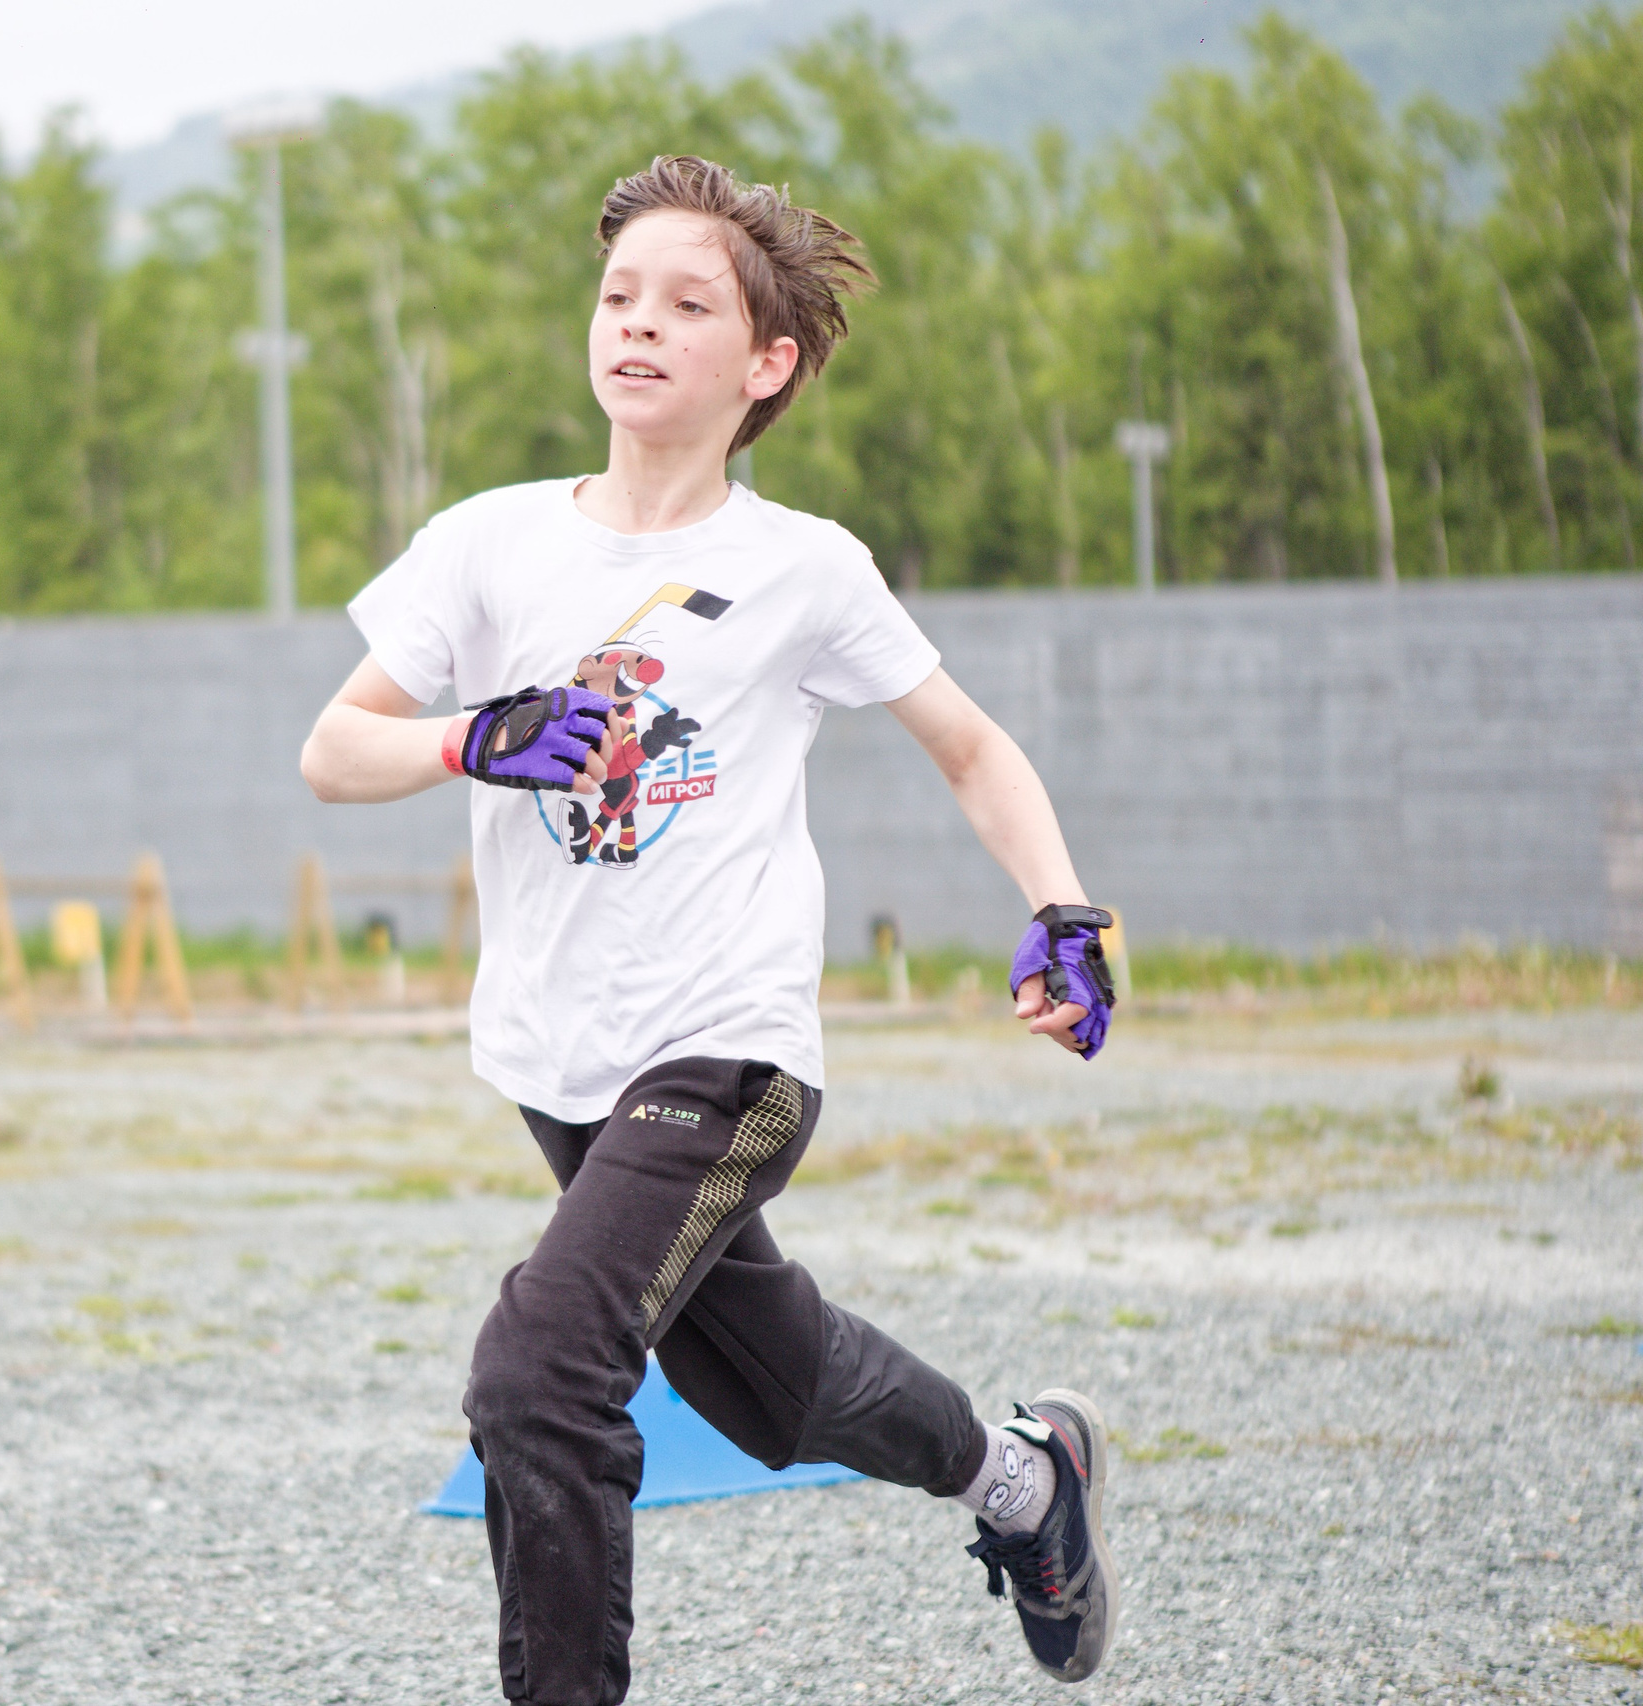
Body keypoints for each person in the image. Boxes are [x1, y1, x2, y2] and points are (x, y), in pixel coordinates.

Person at [298, 156, 1121, 1704]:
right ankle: (1025, 1484)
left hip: (728, 1050)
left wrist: (1063, 908)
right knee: (761, 1377)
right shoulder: (486, 545)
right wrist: (474, 739)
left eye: (689, 304)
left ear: (765, 364)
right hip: (557, 1058)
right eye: (619, 295)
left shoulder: (802, 567)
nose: (640, 324)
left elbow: (970, 743)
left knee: (538, 1379)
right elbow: (333, 751)